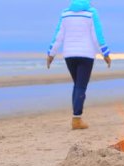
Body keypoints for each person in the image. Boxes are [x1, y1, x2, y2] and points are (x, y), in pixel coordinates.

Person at [47, 0, 111, 130]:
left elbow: (58, 36)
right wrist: (105, 53)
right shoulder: (91, 13)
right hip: (86, 54)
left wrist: (50, 54)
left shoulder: (65, 13)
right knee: (81, 86)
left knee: (77, 86)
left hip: (69, 55)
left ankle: (77, 117)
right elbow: (97, 36)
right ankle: (76, 119)